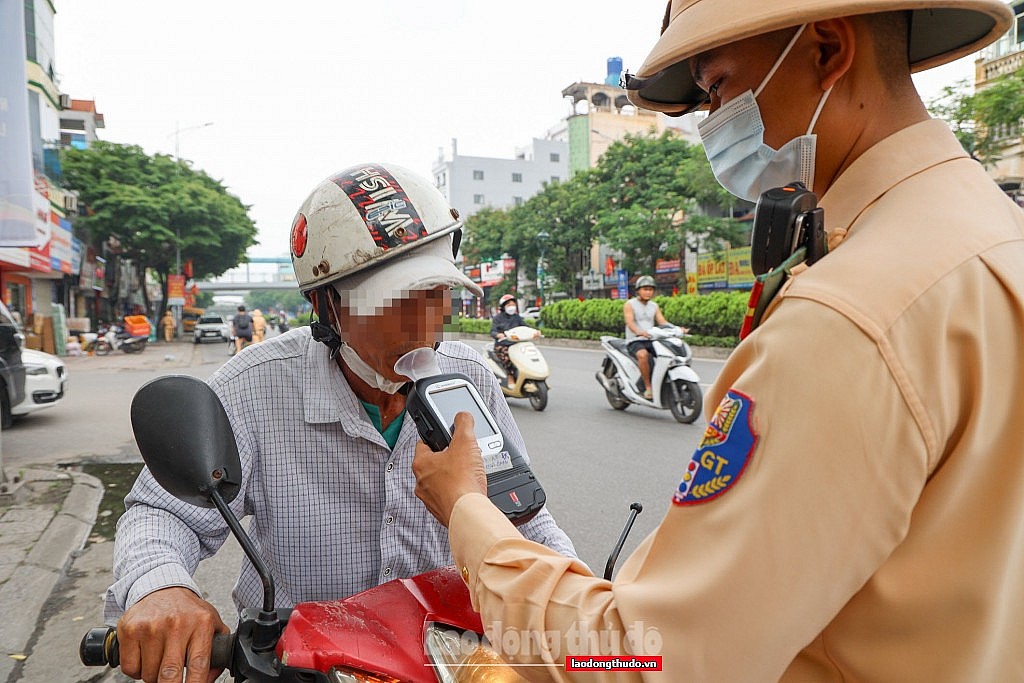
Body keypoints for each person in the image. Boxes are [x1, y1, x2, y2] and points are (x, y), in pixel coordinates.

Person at [413, 2, 1024, 680]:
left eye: (718, 88)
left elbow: (643, 660)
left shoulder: (848, 316)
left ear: (827, 49)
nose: (712, 123)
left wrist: (468, 511)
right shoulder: (994, 234)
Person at [105, 163, 576, 682]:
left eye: (437, 292)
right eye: (395, 301)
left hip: (456, 660)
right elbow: (162, 513)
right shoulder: (252, 387)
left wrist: (581, 611)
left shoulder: (470, 380)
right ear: (324, 304)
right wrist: (161, 587)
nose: (424, 322)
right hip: (301, 669)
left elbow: (524, 517)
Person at [623, 275, 672, 400]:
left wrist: (676, 328)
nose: (648, 292)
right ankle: (648, 387)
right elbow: (630, 322)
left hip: (651, 339)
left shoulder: (654, 306)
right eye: (645, 289)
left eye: (650, 289)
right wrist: (639, 332)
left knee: (667, 355)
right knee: (643, 355)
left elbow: (662, 321)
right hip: (635, 340)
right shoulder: (630, 304)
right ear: (638, 290)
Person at [489, 293, 525, 385]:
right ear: (503, 307)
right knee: (507, 358)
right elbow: (492, 331)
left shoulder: (517, 318)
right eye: (509, 305)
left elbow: (525, 327)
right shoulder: (497, 318)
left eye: (513, 304)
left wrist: (535, 332)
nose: (512, 307)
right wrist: (498, 335)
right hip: (502, 345)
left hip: (516, 344)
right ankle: (510, 376)